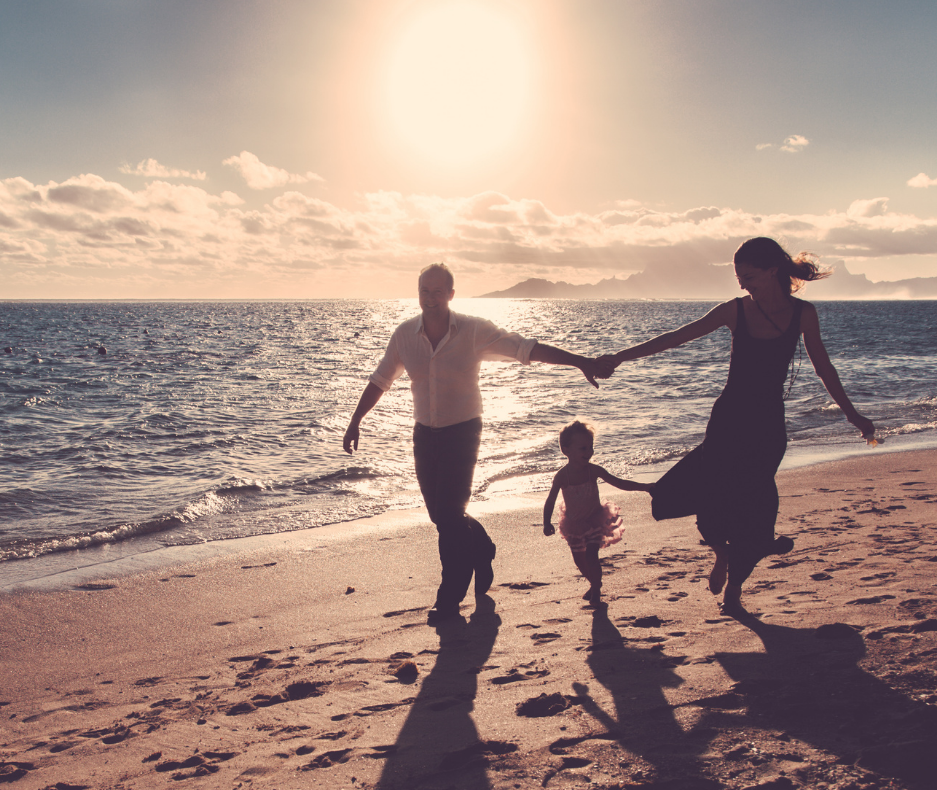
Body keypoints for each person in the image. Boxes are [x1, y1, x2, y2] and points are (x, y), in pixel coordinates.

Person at [595, 237, 875, 615]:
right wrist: (618, 357)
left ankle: (735, 593)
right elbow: (676, 338)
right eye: (738, 277)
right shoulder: (735, 311)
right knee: (710, 506)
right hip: (728, 423)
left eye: (749, 276)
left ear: (773, 270)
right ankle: (721, 554)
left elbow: (825, 369)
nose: (742, 284)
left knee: (752, 512)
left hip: (767, 428)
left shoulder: (803, 314)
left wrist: (853, 415)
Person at [343, 262, 601, 623]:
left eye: (437, 291)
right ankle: (482, 548)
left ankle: (449, 599)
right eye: (424, 291)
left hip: (463, 432)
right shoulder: (404, 335)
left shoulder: (473, 330)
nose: (430, 298)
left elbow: (525, 349)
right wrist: (356, 420)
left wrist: (580, 362)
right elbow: (380, 379)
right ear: (418, 293)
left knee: (448, 519)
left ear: (450, 294)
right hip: (424, 435)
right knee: (441, 516)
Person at [543, 420, 652, 606]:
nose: (589, 452)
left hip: (595, 521)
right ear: (566, 450)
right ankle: (595, 583)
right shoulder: (562, 476)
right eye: (583, 448)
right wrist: (546, 522)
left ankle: (596, 592)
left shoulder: (593, 471)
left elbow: (619, 483)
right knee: (579, 560)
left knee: (592, 555)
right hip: (573, 525)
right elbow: (551, 499)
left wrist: (645, 487)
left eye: (591, 447)